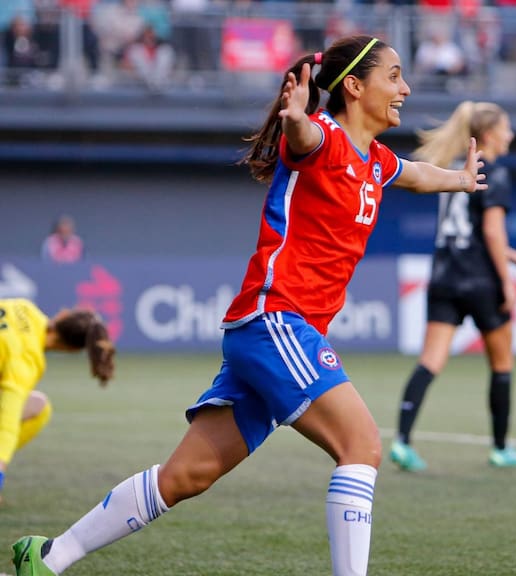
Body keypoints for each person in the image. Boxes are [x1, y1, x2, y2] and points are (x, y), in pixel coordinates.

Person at [10, 34, 486, 576]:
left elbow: (418, 176)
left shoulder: (375, 161)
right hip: (276, 321)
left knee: (186, 476)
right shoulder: (322, 138)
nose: (406, 87)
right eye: (395, 76)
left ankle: (49, 556)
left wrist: (460, 181)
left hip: (267, 334)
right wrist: (295, 116)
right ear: (354, 86)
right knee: (361, 445)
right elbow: (301, 135)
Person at [390, 101, 516, 472]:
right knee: (502, 364)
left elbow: (467, 231)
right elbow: (490, 230)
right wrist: (507, 280)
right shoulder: (495, 173)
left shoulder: (453, 169)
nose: (511, 135)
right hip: (481, 280)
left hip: (444, 277)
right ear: (488, 136)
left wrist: (513, 255)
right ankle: (501, 449)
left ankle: (403, 442)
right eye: (506, 128)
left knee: (430, 362)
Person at [0, 298, 115, 506]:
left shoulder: (23, 307)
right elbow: (7, 423)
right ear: (72, 350)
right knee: (38, 410)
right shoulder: (27, 360)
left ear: (62, 315)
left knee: (38, 405)